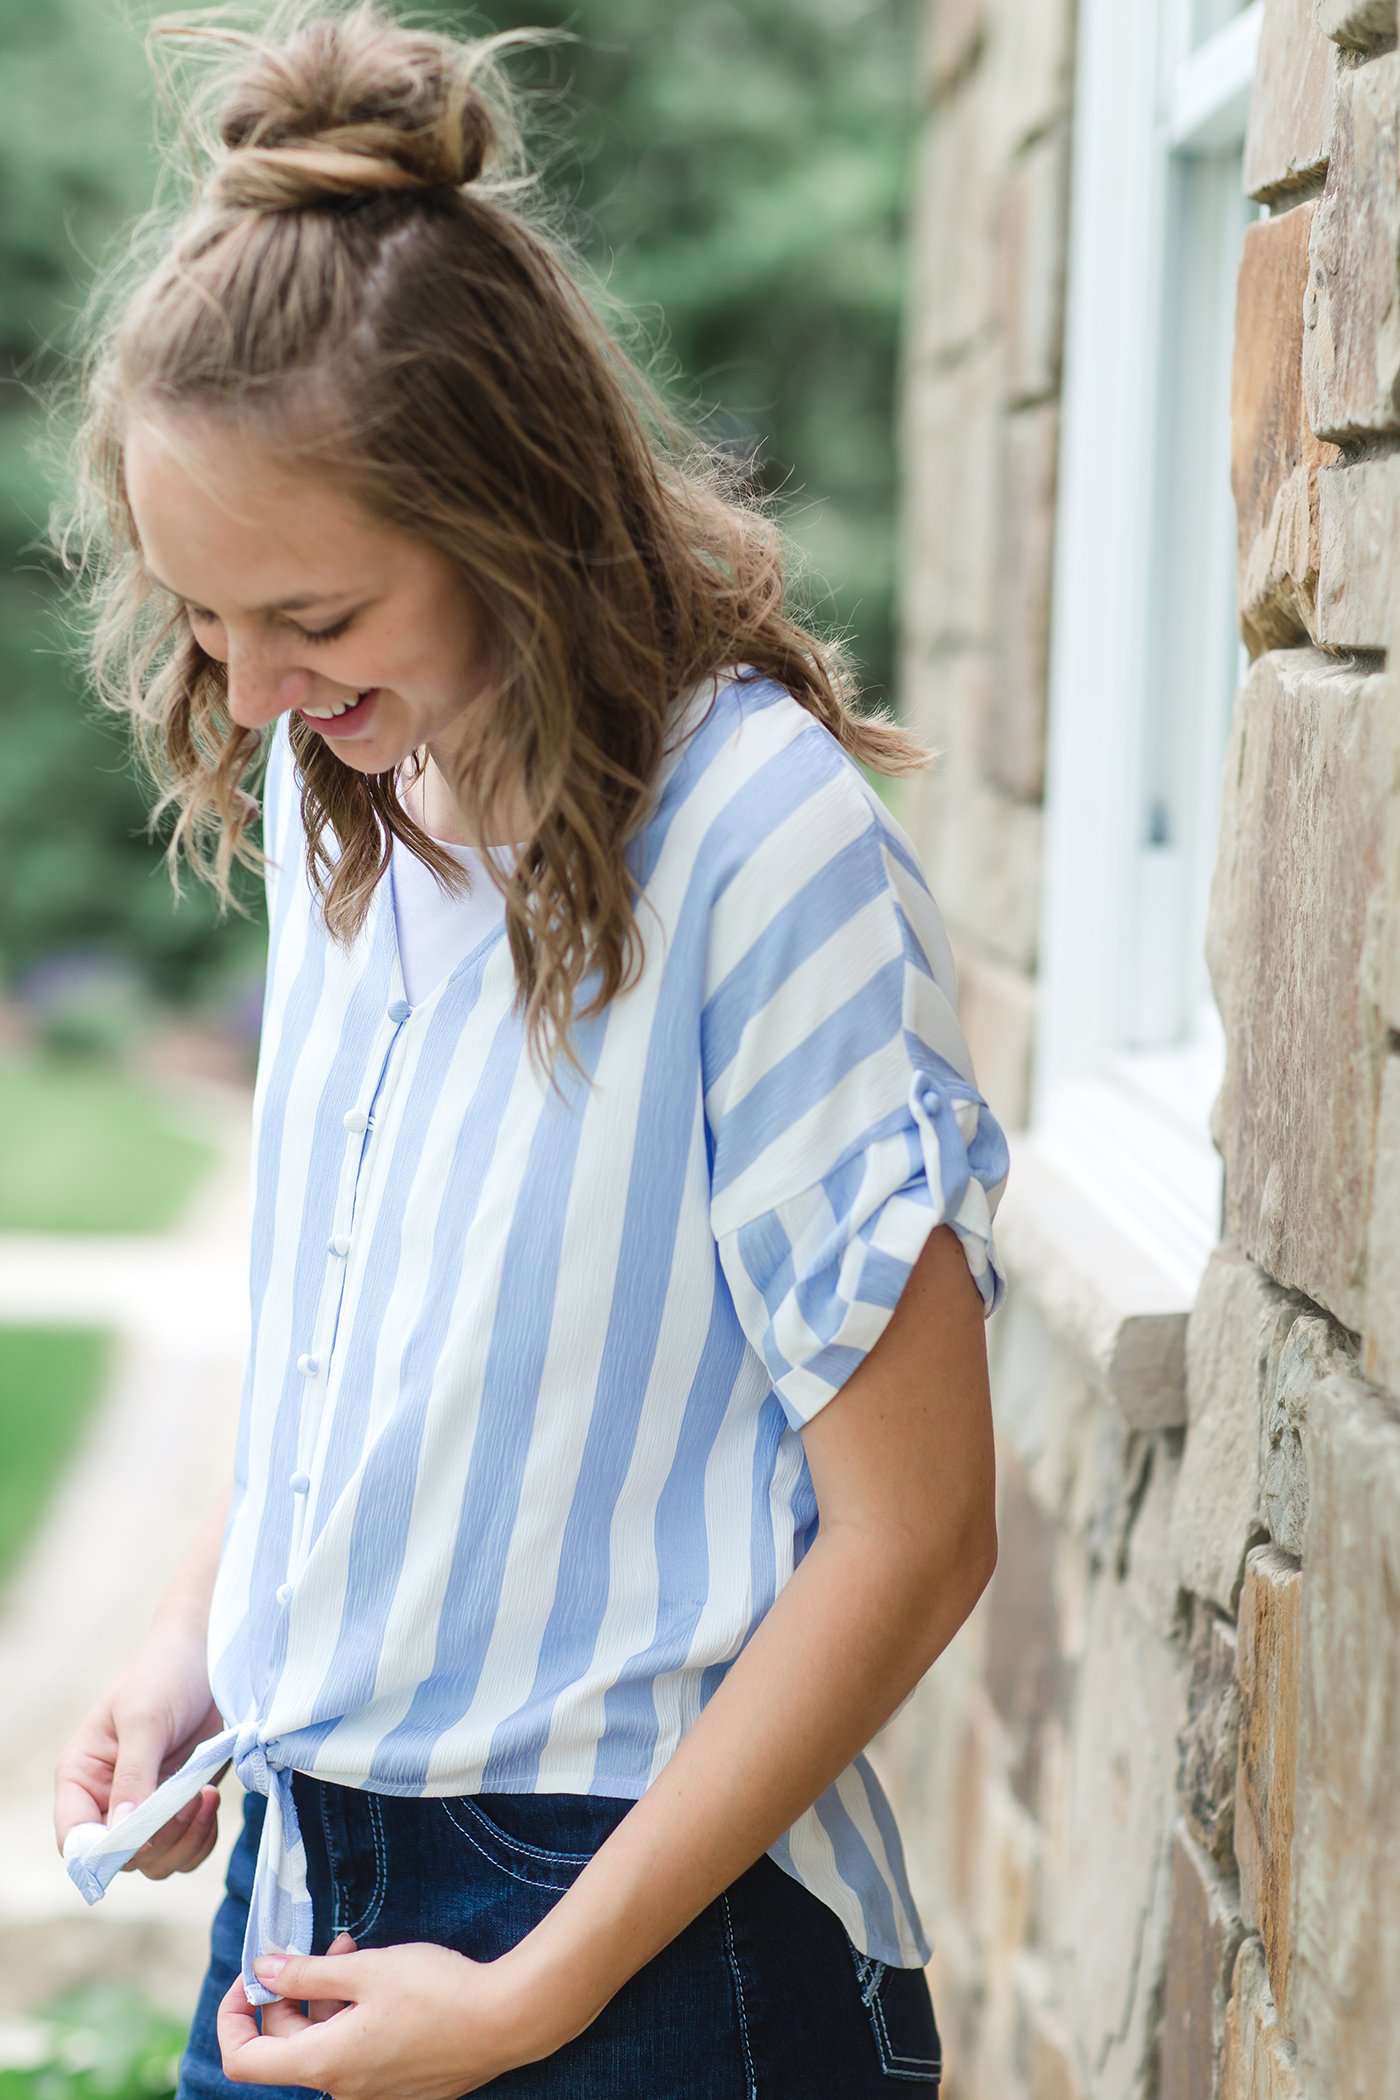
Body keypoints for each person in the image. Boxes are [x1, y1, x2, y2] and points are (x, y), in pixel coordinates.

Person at [45, 3, 1011, 2094]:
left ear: (506, 516)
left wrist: (537, 1990)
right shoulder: (346, 813)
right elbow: (357, 1348)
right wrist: (197, 1645)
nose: (262, 691)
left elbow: (919, 1532)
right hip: (308, 1883)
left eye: (314, 618)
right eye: (208, 625)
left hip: (653, 1952)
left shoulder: (758, 841)